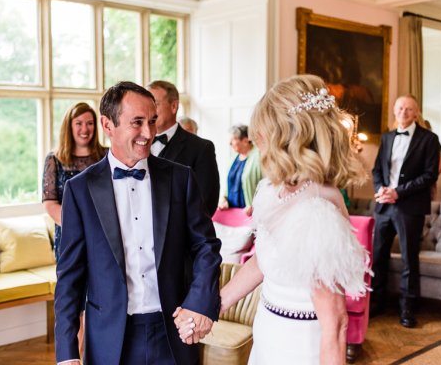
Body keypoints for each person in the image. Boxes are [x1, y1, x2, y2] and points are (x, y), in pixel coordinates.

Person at [177, 74, 370, 364]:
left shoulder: (317, 208)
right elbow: (263, 260)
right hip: (268, 332)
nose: (257, 140)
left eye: (263, 131)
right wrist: (210, 307)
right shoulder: (273, 187)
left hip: (301, 346)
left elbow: (336, 324)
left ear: (287, 135)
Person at [54, 81, 222, 365]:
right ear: (108, 125)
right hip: (109, 337)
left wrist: (199, 303)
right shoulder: (80, 190)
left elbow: (206, 247)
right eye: (137, 122)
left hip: (173, 332)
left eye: (152, 121)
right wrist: (67, 352)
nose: (149, 133)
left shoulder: (181, 179)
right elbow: (70, 276)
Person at [370, 94, 441, 328]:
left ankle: (407, 308)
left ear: (416, 112)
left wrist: (398, 192)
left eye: (409, 109)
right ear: (394, 110)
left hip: (409, 207)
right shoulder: (387, 137)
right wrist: (381, 189)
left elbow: (429, 175)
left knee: (410, 258)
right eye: (400, 108)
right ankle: (377, 302)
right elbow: (377, 169)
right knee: (378, 256)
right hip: (384, 206)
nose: (404, 112)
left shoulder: (429, 139)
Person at [42, 102, 106, 262]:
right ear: (69, 126)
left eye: (90, 123)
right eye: (79, 123)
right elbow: (50, 204)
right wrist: (78, 226)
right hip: (69, 238)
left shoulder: (107, 155)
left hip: (104, 236)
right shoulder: (54, 160)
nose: (85, 129)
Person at [147, 80, 220, 217]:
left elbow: (206, 203)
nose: (149, 111)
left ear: (174, 106)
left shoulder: (201, 148)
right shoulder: (136, 144)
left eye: (155, 104)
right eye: (146, 105)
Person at [217, 124, 263, 217]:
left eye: (233, 139)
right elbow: (229, 182)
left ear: (245, 140)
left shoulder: (259, 157)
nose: (230, 143)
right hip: (232, 212)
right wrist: (223, 198)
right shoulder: (234, 157)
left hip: (250, 214)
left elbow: (266, 186)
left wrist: (255, 205)